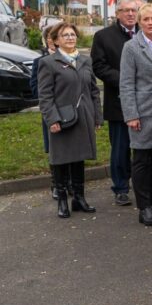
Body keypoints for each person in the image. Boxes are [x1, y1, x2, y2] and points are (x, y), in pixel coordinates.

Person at [37, 22, 102, 218]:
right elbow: (45, 96)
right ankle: (63, 200)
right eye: (65, 35)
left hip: (83, 117)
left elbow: (93, 91)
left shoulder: (85, 60)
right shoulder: (48, 63)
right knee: (61, 159)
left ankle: (79, 199)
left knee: (79, 158)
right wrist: (52, 119)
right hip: (62, 119)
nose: (70, 38)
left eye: (72, 34)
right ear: (56, 40)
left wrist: (97, 116)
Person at [119, 3, 152, 227]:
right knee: (142, 160)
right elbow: (126, 84)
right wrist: (131, 114)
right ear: (139, 22)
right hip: (144, 111)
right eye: (145, 19)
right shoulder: (132, 47)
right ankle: (144, 207)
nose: (150, 23)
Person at [91, 0, 139, 206]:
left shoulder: (146, 33)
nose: (130, 14)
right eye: (125, 10)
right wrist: (125, 80)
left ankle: (145, 185)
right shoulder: (103, 36)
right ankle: (121, 187)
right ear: (117, 13)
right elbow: (99, 66)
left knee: (145, 148)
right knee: (120, 148)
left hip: (145, 100)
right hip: (118, 101)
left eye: (134, 10)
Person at [30, 25, 60, 199]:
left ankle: (72, 182)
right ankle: (56, 183)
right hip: (51, 110)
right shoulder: (40, 61)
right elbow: (35, 88)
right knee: (54, 147)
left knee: (71, 146)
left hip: (71, 109)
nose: (52, 39)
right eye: (49, 36)